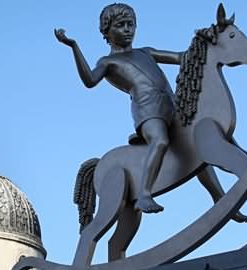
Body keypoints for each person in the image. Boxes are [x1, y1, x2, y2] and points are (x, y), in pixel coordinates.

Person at [55, 3, 181, 214]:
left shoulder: (146, 52)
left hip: (171, 104)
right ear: (107, 31)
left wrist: (205, 40)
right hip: (148, 109)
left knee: (195, 139)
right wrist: (74, 46)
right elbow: (89, 80)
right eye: (121, 25)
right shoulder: (108, 62)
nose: (127, 29)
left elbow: (180, 57)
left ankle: (218, 195)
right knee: (160, 141)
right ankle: (144, 195)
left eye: (131, 24)